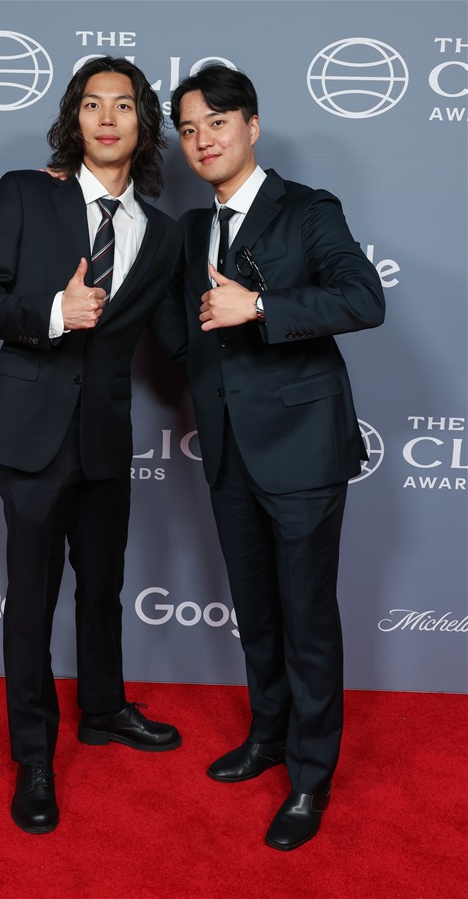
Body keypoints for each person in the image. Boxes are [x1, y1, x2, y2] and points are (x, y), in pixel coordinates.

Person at [157, 65, 385, 850]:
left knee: (307, 621)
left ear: (251, 126)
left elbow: (363, 299)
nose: (202, 141)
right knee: (255, 616)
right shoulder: (193, 229)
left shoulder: (309, 210)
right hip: (227, 449)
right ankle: (268, 737)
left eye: (217, 123)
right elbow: (175, 321)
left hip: (303, 451)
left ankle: (311, 776)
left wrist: (258, 305)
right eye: (189, 129)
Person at [0, 56, 181, 835]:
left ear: (143, 123)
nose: (107, 118)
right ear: (74, 119)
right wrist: (55, 310)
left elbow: (177, 340)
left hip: (106, 438)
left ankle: (104, 708)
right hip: (32, 430)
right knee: (32, 598)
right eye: (92, 104)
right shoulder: (26, 192)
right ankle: (35, 756)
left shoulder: (163, 233)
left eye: (123, 104)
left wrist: (258, 318)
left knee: (102, 588)